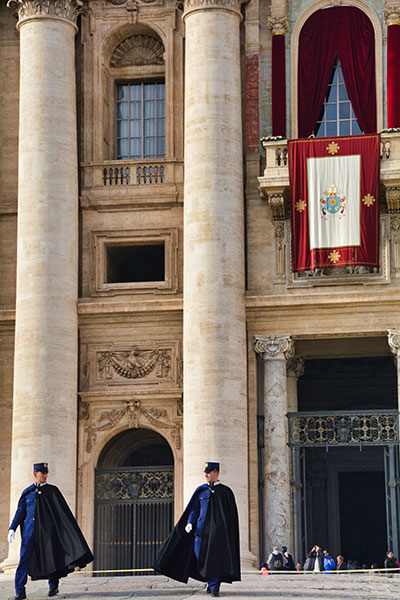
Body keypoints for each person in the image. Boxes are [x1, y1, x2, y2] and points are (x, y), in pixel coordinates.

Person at [8, 462, 94, 600]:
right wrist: (12, 528)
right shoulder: (27, 493)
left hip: (47, 534)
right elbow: (20, 513)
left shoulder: (52, 491)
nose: (45, 476)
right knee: (23, 561)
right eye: (43, 473)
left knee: (51, 558)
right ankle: (20, 591)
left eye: (46, 473)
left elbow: (62, 513)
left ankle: (53, 586)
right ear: (36, 474)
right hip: (29, 534)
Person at [154, 462, 240, 598]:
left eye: (209, 472)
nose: (206, 475)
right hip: (200, 533)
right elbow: (194, 510)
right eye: (205, 472)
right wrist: (189, 523)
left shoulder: (225, 492)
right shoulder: (201, 490)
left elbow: (230, 516)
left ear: (216, 473)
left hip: (218, 535)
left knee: (214, 559)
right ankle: (210, 580)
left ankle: (214, 586)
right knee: (200, 558)